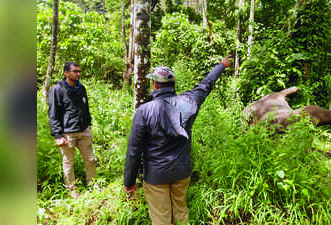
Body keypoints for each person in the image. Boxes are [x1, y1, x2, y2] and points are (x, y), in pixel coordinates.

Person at [123, 55, 232, 224]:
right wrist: (221, 66)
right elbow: (205, 85)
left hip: (156, 176)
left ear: (155, 85)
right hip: (181, 172)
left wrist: (129, 182)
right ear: (173, 85)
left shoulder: (144, 111)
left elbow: (134, 151)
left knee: (161, 217)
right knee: (181, 212)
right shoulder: (189, 102)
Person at [48, 62, 96, 197]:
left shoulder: (82, 88)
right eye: (75, 71)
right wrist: (57, 135)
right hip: (67, 133)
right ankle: (72, 191)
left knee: (90, 160)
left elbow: (85, 108)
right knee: (69, 163)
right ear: (66, 73)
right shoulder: (57, 89)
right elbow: (53, 113)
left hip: (84, 131)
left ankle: (93, 186)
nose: (78, 74)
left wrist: (88, 124)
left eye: (79, 71)